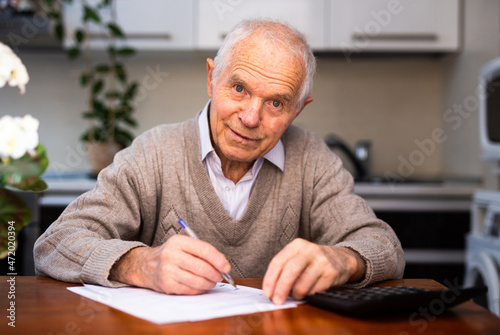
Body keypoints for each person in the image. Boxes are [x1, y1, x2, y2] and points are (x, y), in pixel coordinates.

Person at [34, 19, 405, 305]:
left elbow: (384, 246)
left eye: (276, 103)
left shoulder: (312, 158)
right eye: (239, 88)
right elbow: (55, 244)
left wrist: (343, 260)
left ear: (297, 110)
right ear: (212, 79)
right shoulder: (154, 152)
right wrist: (139, 264)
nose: (250, 117)